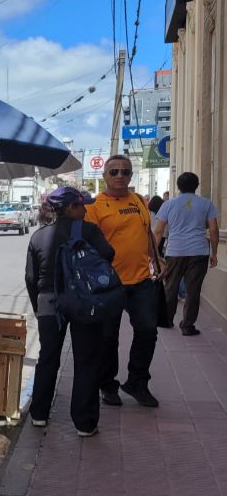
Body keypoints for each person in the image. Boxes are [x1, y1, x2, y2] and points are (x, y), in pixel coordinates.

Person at [25, 188, 115, 435]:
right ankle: (85, 424)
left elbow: (31, 278)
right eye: (82, 206)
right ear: (70, 208)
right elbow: (109, 254)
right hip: (84, 302)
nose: (86, 210)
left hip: (48, 302)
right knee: (86, 359)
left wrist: (37, 306)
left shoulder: (38, 236)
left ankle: (40, 415)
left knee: (48, 358)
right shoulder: (89, 230)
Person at [85, 154, 163, 408]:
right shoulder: (94, 206)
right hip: (109, 283)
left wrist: (157, 257)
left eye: (125, 172)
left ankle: (138, 382)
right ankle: (108, 386)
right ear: (105, 176)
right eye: (114, 172)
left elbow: (146, 233)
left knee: (148, 330)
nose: (120, 176)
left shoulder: (139, 200)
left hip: (141, 279)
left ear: (131, 176)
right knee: (108, 337)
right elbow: (87, 246)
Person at [155, 172, 220, 336]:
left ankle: (167, 320)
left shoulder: (168, 204)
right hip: (199, 251)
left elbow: (158, 230)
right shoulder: (207, 204)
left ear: (178, 186)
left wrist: (155, 253)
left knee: (170, 287)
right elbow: (213, 230)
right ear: (197, 185)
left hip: (175, 251)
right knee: (193, 290)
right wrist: (214, 252)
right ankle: (188, 325)